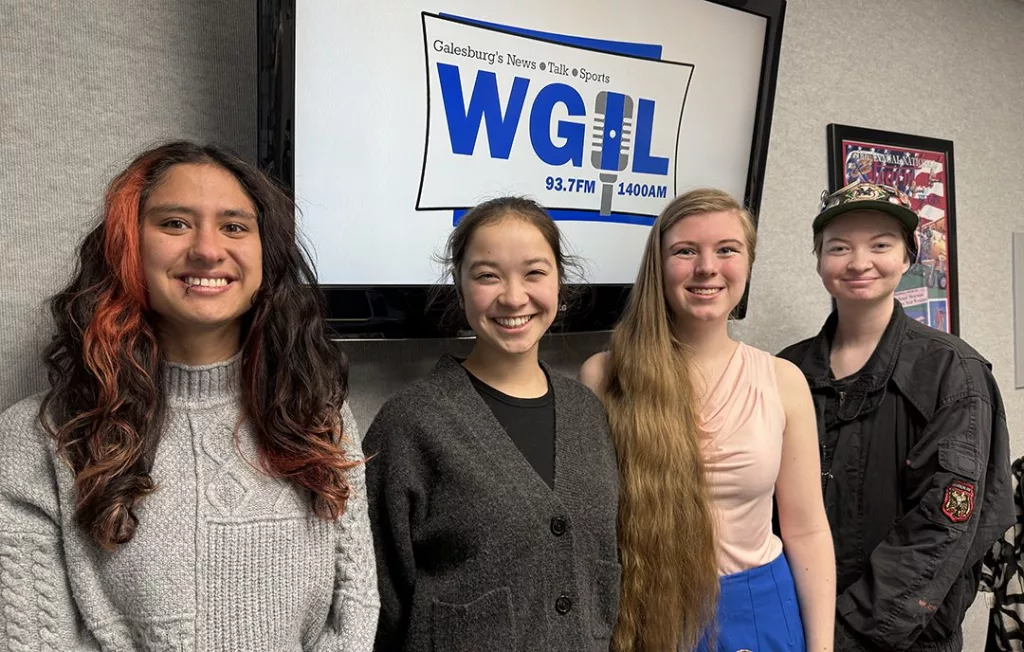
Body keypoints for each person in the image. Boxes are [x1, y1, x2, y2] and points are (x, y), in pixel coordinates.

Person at [0, 141, 379, 649]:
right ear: (128, 246)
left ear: (266, 254)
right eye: (175, 223)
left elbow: (354, 613)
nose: (207, 249)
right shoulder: (38, 439)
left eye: (234, 227)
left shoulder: (318, 416)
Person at [581, 188, 835, 652]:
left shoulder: (784, 381)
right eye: (685, 251)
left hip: (758, 608)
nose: (706, 267)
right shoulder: (604, 376)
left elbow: (807, 530)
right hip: (646, 607)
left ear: (748, 263)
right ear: (658, 266)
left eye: (727, 250)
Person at [364, 196, 620, 651]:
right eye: (487, 276)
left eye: (534, 273)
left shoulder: (587, 412)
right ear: (460, 288)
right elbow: (377, 605)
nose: (514, 297)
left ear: (559, 283)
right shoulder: (409, 424)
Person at [778, 181, 1014, 651]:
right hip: (794, 626)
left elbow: (943, 528)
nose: (859, 262)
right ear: (819, 259)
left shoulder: (952, 372)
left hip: (905, 639)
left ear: (908, 257)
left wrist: (841, 634)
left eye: (880, 245)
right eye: (839, 247)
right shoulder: (786, 371)